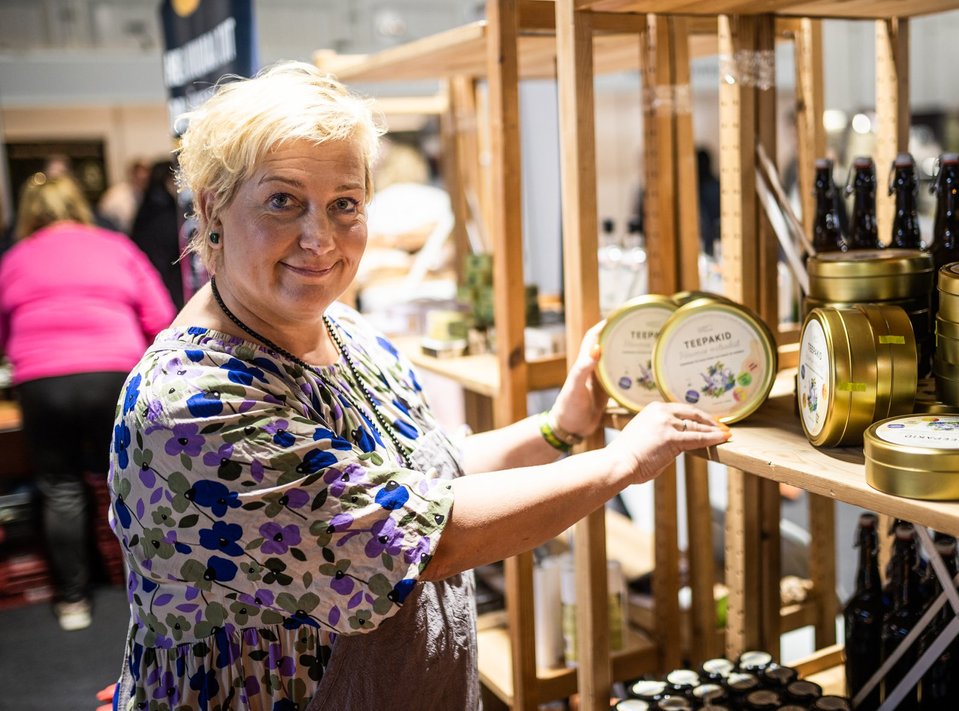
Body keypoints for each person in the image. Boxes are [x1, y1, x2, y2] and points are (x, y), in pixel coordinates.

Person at [108, 61, 729, 711]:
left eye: (344, 204)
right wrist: (622, 462)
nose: (319, 239)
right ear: (212, 206)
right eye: (283, 200)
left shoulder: (342, 328)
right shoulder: (192, 404)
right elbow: (421, 536)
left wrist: (562, 427)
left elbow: (432, 471)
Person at [0, 172, 175, 631]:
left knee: (60, 486)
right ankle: (151, 585)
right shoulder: (115, 246)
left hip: (42, 381)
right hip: (113, 374)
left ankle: (74, 602)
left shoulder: (15, 257)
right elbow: (160, 318)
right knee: (131, 480)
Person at [130, 159, 187, 310]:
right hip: (169, 286)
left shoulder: (145, 209)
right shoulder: (169, 214)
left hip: (148, 283)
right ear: (167, 181)